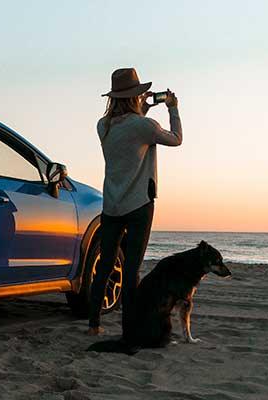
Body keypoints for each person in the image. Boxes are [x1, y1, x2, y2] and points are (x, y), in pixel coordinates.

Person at [88, 68, 182, 344]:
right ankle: (129, 329)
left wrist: (142, 108)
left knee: (105, 264)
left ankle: (94, 323)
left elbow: (129, 131)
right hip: (139, 203)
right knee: (131, 270)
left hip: (111, 204)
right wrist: (172, 109)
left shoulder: (102, 126)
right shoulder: (144, 126)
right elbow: (176, 138)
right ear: (135, 96)